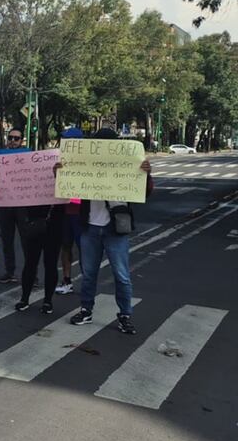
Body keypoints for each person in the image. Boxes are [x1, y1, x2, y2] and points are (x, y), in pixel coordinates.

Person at [58, 128, 153, 334]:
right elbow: (66, 185)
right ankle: (86, 309)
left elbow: (144, 192)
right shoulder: (87, 164)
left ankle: (125, 315)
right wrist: (60, 170)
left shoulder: (128, 164)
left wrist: (146, 173)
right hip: (90, 226)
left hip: (115, 229)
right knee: (89, 273)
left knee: (121, 275)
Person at [12, 203, 64, 314]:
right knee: (30, 262)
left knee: (50, 263)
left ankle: (47, 301)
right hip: (35, 221)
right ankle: (25, 298)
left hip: (55, 223)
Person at [56, 127, 85, 294]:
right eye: (64, 140)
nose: (64, 143)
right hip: (64, 210)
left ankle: (86, 280)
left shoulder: (88, 161)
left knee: (84, 249)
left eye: (68, 140)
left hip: (81, 212)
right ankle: (66, 280)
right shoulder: (58, 159)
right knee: (65, 246)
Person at [0, 129, 25, 283]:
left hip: (22, 205)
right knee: (6, 239)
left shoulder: (28, 158)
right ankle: (9, 271)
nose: (13, 141)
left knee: (27, 240)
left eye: (16, 138)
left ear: (21, 141)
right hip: (5, 204)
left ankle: (31, 274)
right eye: (10, 137)